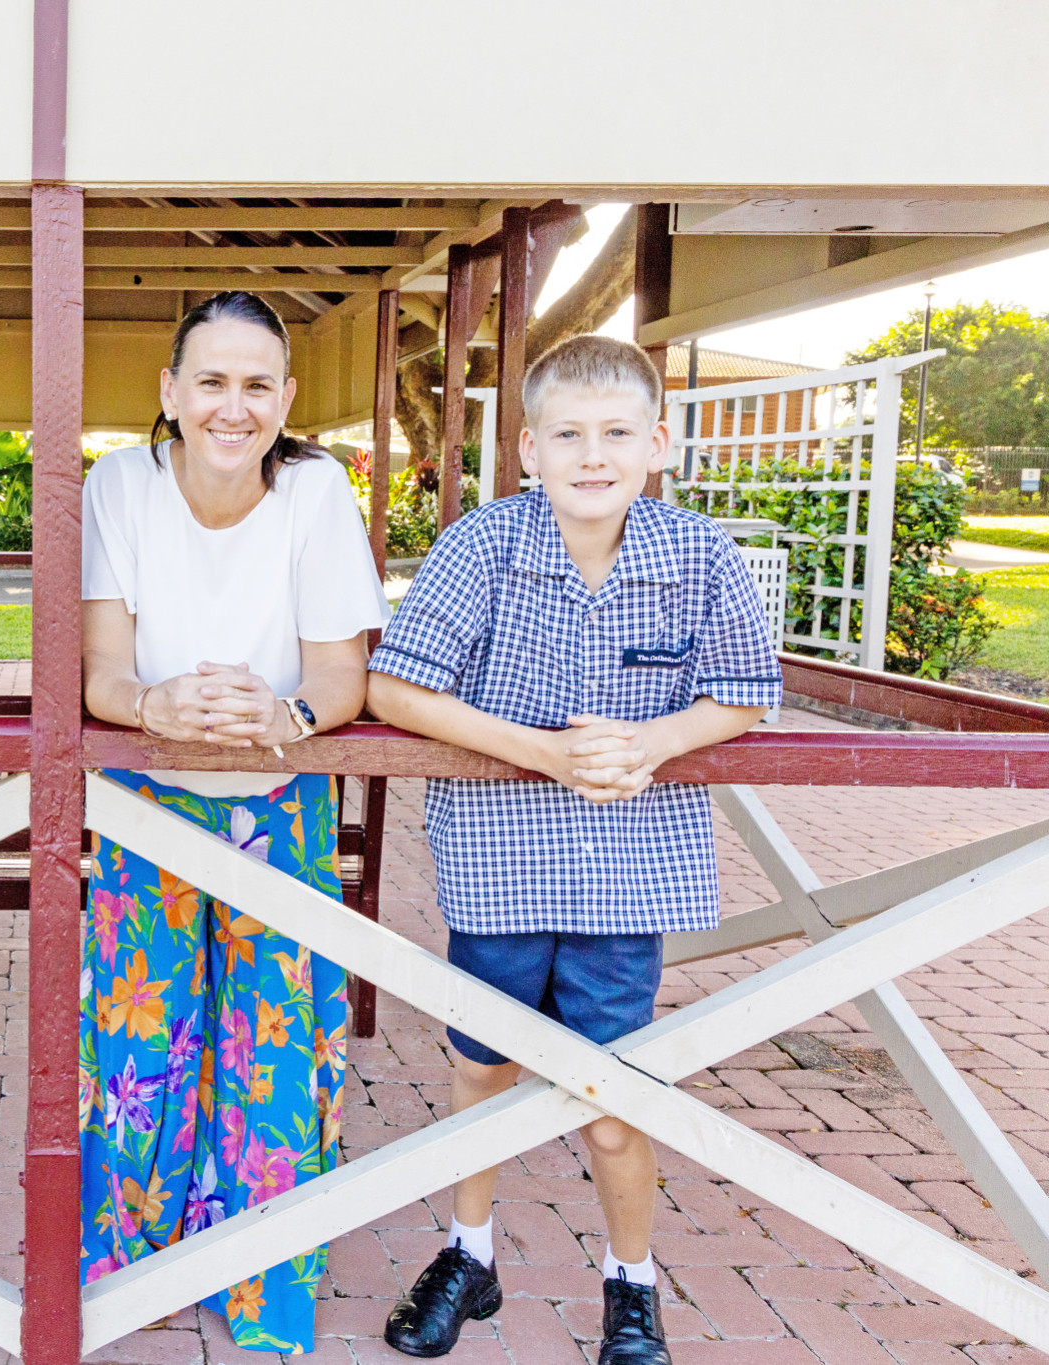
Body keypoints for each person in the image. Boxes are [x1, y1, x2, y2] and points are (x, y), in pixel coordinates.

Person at [366, 335, 782, 1365]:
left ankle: (628, 1284)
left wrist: (655, 739)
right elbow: (395, 688)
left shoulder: (698, 554)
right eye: (566, 434)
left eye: (612, 434)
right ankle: (468, 1254)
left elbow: (744, 690)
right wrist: (543, 753)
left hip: (627, 867)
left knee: (612, 1090)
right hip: (496, 855)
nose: (589, 454)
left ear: (657, 443)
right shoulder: (480, 543)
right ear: (526, 449)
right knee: (477, 1065)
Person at [78, 291, 388, 1353]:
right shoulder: (115, 484)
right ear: (168, 392)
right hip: (144, 789)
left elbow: (342, 673)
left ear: (286, 398)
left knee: (274, 1037)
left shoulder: (315, 491)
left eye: (256, 384)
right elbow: (105, 671)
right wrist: (155, 707)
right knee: (137, 1041)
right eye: (209, 380)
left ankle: (259, 1283)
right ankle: (135, 1271)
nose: (232, 405)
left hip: (279, 790)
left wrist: (284, 714)